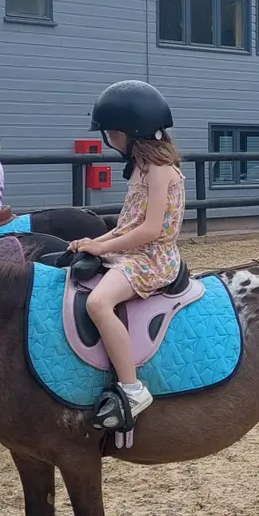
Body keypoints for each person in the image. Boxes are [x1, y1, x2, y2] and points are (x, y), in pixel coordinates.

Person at [66, 80, 185, 428]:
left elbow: (149, 231)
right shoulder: (140, 170)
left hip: (153, 258)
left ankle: (132, 389)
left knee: (98, 304)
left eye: (112, 132)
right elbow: (126, 224)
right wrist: (93, 240)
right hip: (133, 252)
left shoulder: (161, 172)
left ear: (130, 133)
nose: (110, 139)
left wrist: (103, 248)